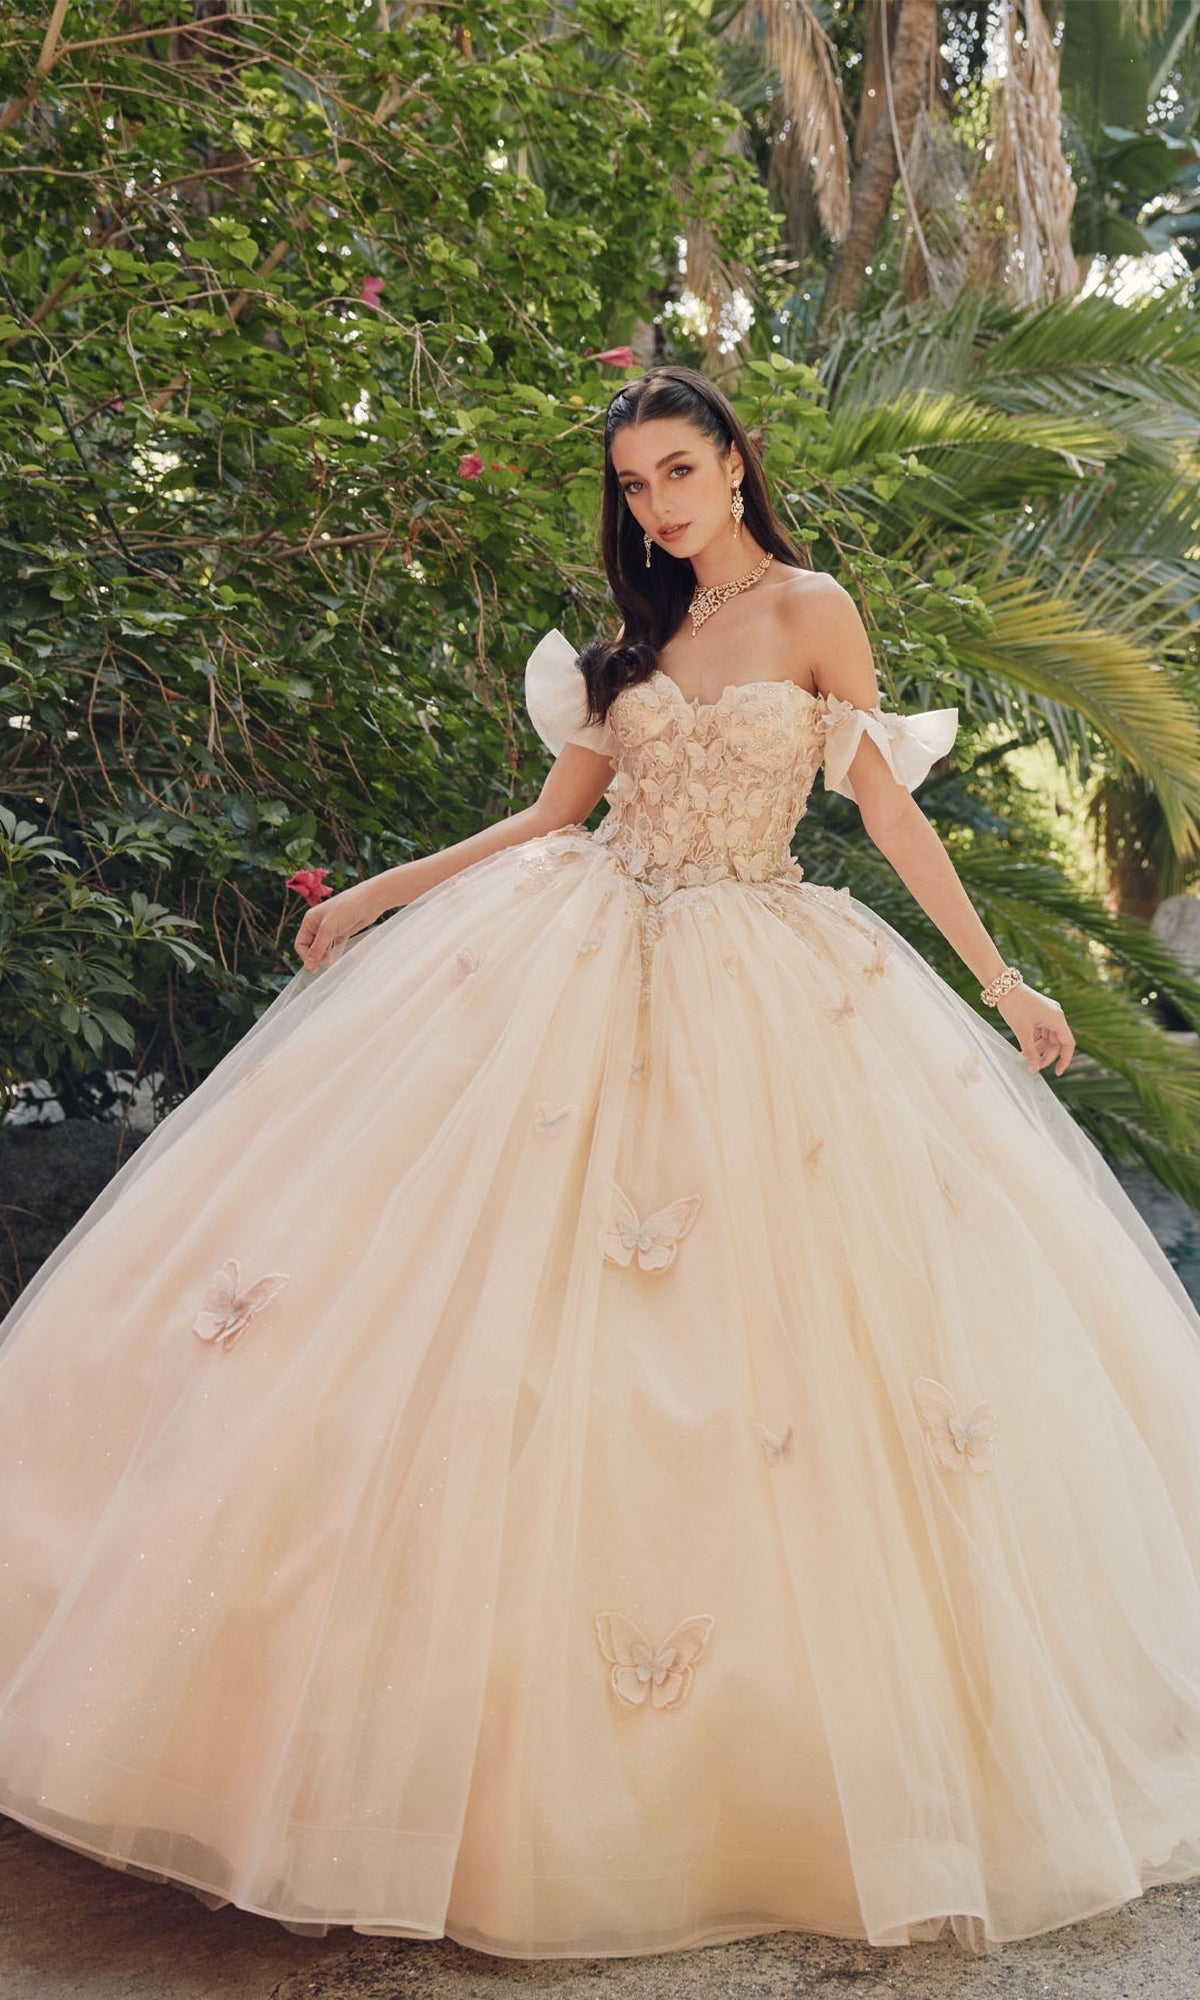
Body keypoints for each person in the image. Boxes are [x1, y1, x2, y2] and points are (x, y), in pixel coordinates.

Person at [2, 364, 1200, 1964]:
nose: (658, 506)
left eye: (679, 472)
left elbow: (887, 817)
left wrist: (1008, 984)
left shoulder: (816, 614)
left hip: (762, 983)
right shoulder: (625, 645)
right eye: (636, 486)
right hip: (574, 950)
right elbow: (548, 819)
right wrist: (380, 893)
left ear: (735, 462)